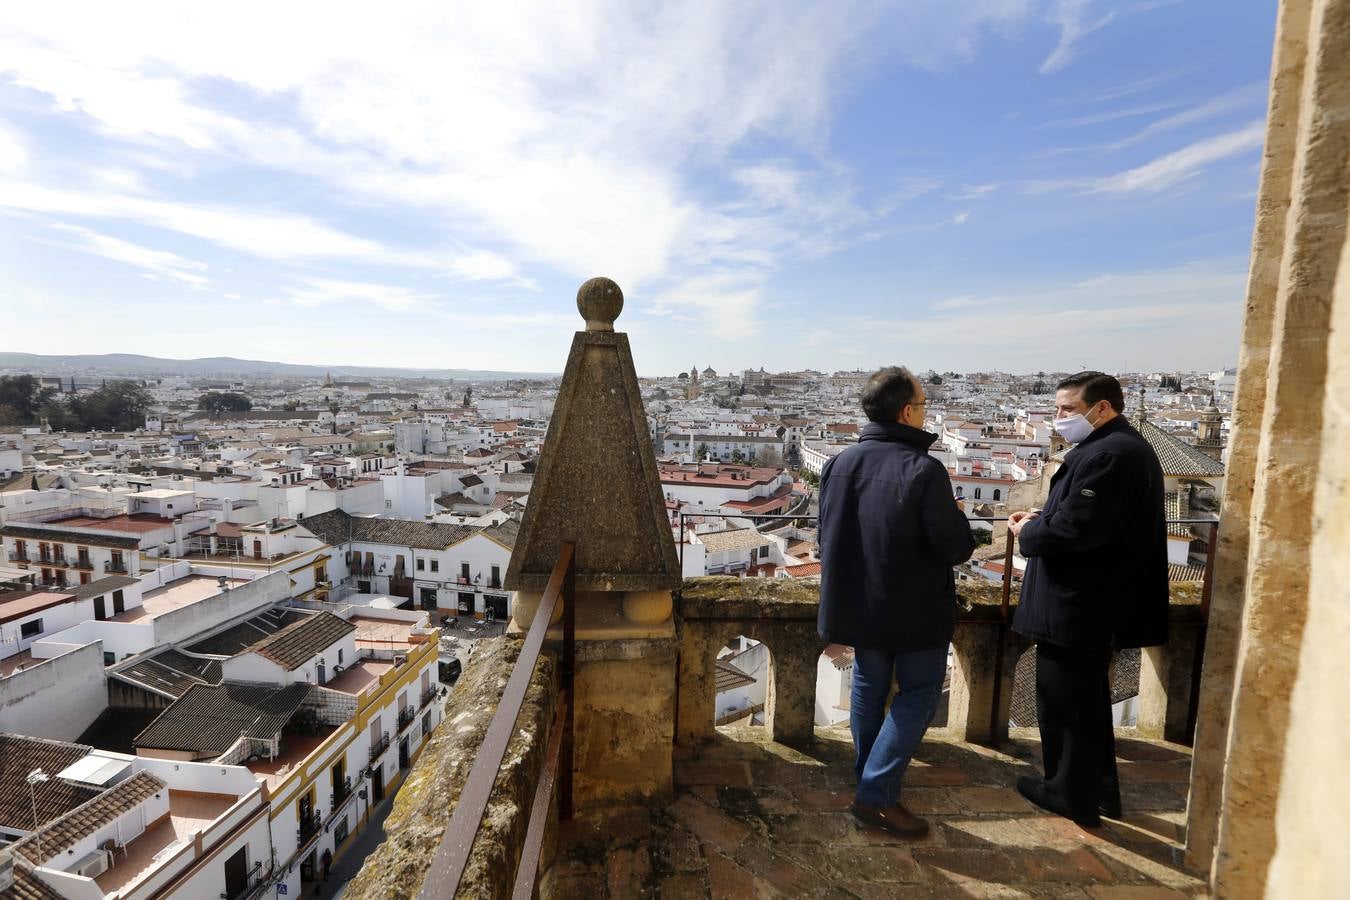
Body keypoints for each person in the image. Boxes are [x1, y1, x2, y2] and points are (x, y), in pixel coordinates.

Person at [818, 366, 977, 838]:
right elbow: (955, 547)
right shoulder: (923, 470)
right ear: (907, 412)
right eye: (924, 404)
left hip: (858, 602)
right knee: (919, 694)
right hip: (914, 608)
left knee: (868, 688)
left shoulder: (838, 463)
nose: (926, 413)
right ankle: (875, 794)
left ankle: (869, 774)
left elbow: (827, 535)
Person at [1008, 371, 1168, 827]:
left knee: (1064, 706)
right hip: (1091, 602)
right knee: (1085, 704)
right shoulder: (1113, 449)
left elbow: (1078, 529)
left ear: (1102, 408)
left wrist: (1029, 530)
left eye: (1068, 410)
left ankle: (1067, 794)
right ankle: (1097, 793)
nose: (1059, 418)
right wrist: (1046, 514)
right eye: (1057, 409)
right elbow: (1087, 515)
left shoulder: (1113, 454)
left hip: (1079, 605)